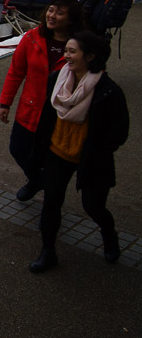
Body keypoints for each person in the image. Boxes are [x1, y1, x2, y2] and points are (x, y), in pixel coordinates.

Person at [28, 32, 129, 273]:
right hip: (57, 150)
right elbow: (48, 115)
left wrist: (98, 148)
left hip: (90, 158)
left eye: (72, 52)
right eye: (66, 51)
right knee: (51, 202)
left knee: (93, 206)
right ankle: (48, 251)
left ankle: (108, 232)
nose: (66, 56)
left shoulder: (108, 91)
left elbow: (119, 132)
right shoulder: (58, 79)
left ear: (91, 56)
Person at [0, 0, 83, 201]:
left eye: (59, 13)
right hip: (30, 108)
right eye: (51, 10)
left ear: (71, 19)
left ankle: (51, 206)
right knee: (18, 149)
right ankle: (37, 181)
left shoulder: (81, 45)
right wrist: (5, 103)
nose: (52, 15)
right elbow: (16, 72)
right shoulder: (32, 38)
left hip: (61, 114)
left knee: (52, 159)